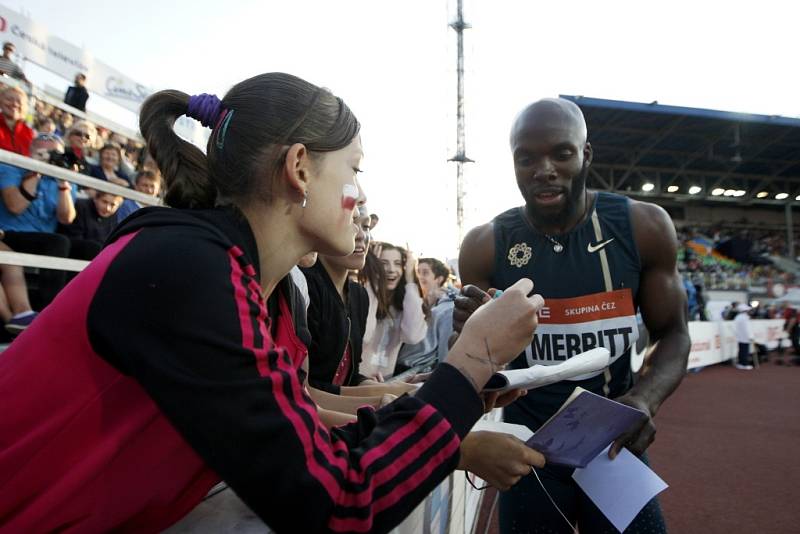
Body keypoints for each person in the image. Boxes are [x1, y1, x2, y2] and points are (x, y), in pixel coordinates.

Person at [0, 73, 546, 533]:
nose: (359, 193)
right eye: (354, 168)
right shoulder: (191, 267)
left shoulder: (241, 278)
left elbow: (308, 448)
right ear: (301, 167)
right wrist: (472, 357)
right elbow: (338, 502)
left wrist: (464, 395)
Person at [455, 98, 691, 533]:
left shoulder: (642, 226)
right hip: (527, 449)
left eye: (561, 153)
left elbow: (673, 333)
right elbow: (479, 371)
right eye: (527, 158)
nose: (543, 169)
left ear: (586, 155)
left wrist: (644, 398)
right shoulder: (485, 245)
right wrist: (470, 339)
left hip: (613, 442)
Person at [0, 133, 75, 309]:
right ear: (32, 151)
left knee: (91, 248)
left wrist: (63, 183)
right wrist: (36, 169)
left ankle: (75, 309)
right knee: (58, 242)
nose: (51, 157)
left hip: (43, 239)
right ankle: (49, 310)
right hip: (11, 234)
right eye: (45, 152)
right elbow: (15, 206)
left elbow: (66, 218)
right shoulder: (12, 167)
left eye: (56, 153)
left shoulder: (63, 177)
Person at [360, 242, 428, 379]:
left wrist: (410, 279)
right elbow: (364, 335)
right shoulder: (362, 295)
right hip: (356, 381)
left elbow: (413, 337)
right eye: (383, 263)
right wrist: (373, 281)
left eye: (397, 263)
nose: (391, 269)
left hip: (386, 382)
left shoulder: (406, 304)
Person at [397, 257, 457, 367]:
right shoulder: (414, 300)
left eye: (425, 273)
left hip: (414, 370)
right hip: (397, 368)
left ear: (439, 279)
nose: (419, 276)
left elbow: (446, 349)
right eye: (417, 272)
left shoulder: (447, 309)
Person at [58, 192, 123, 260]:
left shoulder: (114, 217)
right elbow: (74, 236)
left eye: (113, 205)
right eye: (104, 202)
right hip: (72, 247)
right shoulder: (81, 206)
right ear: (95, 199)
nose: (107, 208)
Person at [0, 87, 34, 156]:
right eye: (9, 99)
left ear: (24, 107)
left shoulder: (29, 133)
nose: (15, 104)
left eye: (19, 102)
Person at [733, 303, 754, 370]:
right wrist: (750, 336)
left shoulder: (738, 317)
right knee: (745, 351)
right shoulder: (745, 318)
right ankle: (744, 364)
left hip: (740, 337)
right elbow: (747, 329)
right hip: (745, 337)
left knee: (741, 350)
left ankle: (741, 363)